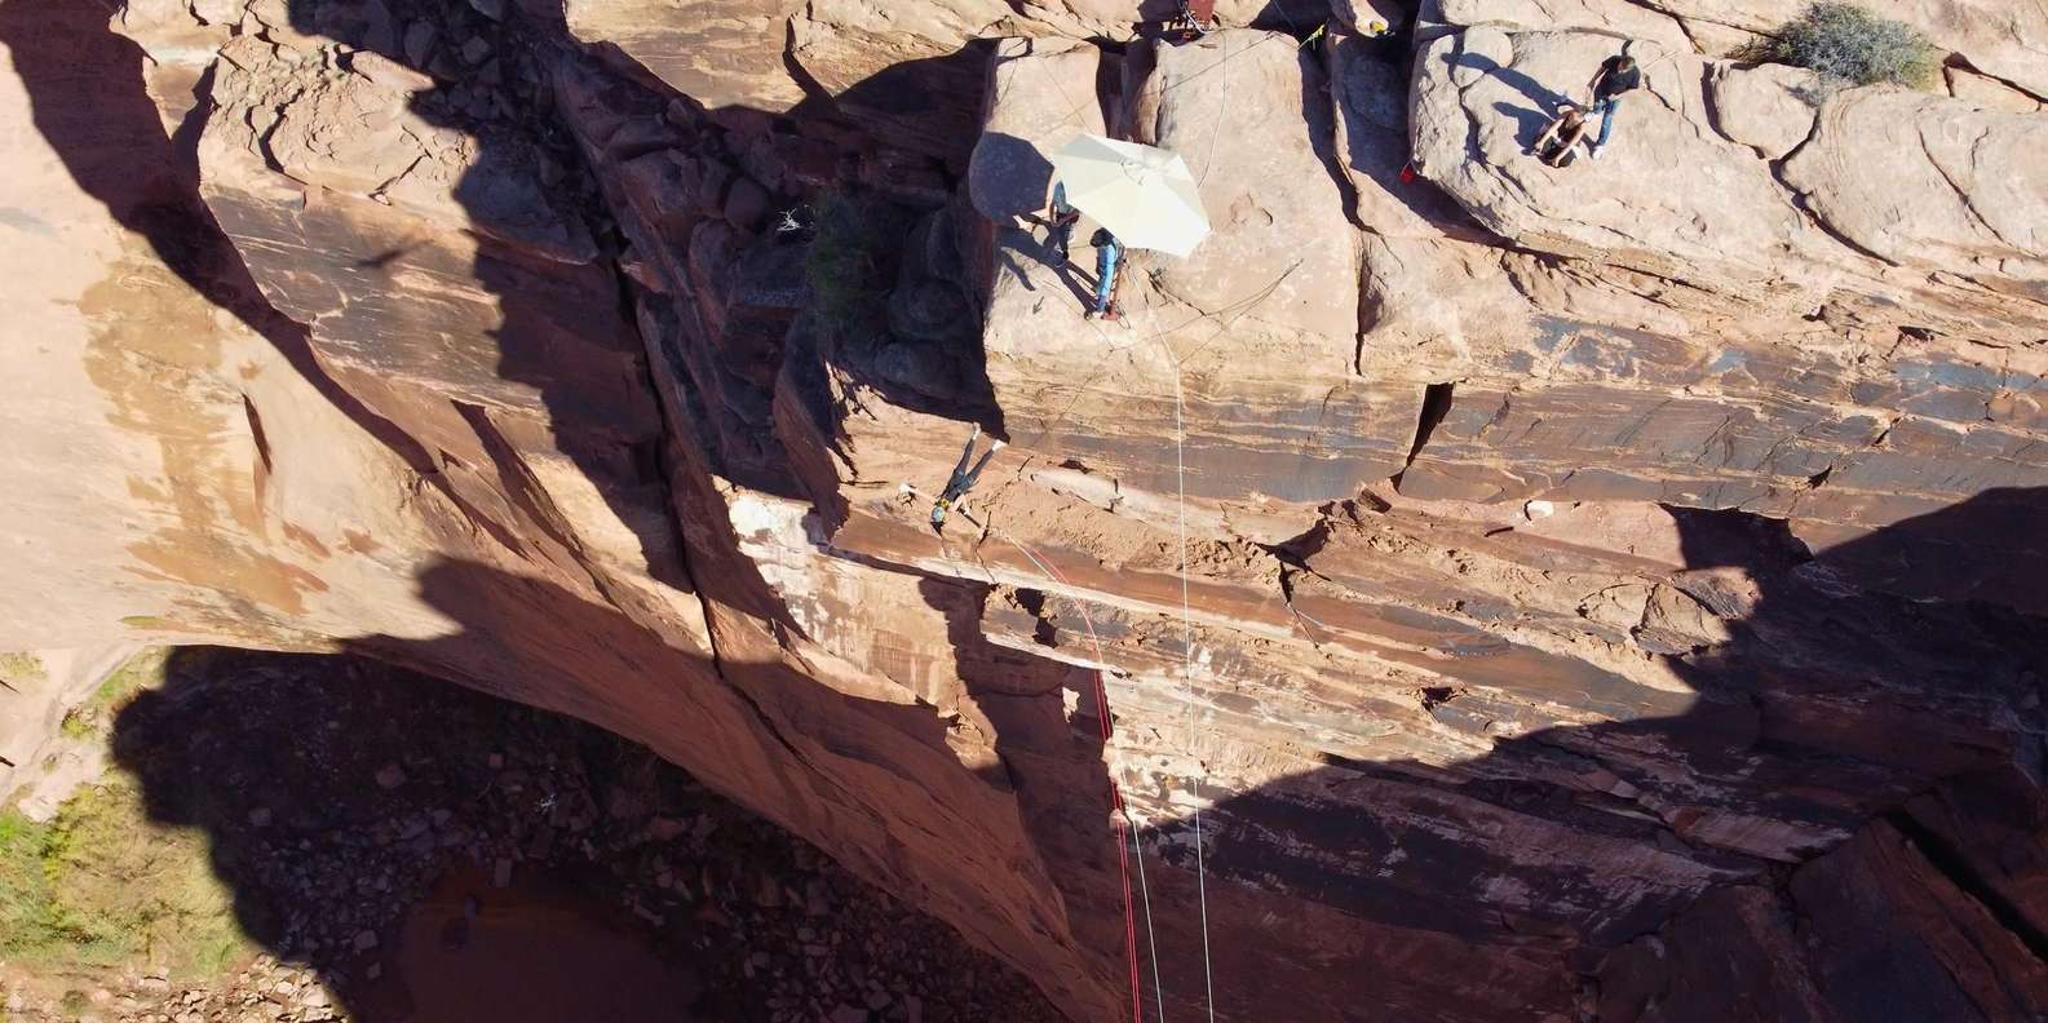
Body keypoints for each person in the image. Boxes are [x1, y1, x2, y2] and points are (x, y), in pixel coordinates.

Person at [931, 425, 1005, 532]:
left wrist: (966, 508)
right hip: (956, 479)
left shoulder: (951, 509)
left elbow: (961, 496)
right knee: (966, 457)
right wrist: (909, 489)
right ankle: (975, 434)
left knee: (980, 465)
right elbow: (925, 495)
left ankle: (996, 445)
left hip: (964, 485)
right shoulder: (938, 501)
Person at [1585, 50, 1643, 159]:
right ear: (1621, 61)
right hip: (1602, 89)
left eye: (1623, 70)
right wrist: (1592, 81)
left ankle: (1600, 145)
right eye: (1620, 67)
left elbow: (1631, 89)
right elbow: (1602, 69)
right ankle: (1596, 113)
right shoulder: (1614, 59)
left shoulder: (1635, 73)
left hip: (1615, 98)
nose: (1619, 71)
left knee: (1607, 120)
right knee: (1597, 104)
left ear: (1629, 69)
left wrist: (1617, 96)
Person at [1086, 227, 1124, 321]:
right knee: (1101, 278)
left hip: (1109, 268)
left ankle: (1099, 310)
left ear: (1104, 244)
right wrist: (1098, 262)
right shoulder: (1103, 235)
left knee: (1104, 289)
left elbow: (1108, 274)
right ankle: (1098, 288)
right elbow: (1099, 252)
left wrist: (1103, 291)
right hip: (1103, 264)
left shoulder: (1110, 251)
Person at [1046, 181, 1080, 262]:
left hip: (1070, 215)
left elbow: (1077, 211)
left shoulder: (1075, 190)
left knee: (1063, 234)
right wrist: (1051, 219)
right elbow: (1052, 203)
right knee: (1061, 232)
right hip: (1060, 213)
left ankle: (1065, 251)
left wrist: (1063, 220)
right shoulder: (1058, 186)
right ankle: (1066, 243)